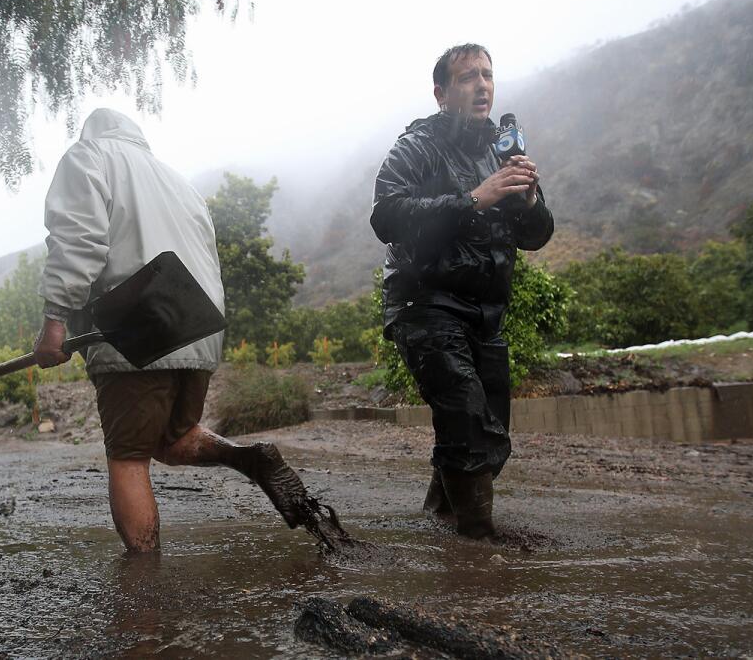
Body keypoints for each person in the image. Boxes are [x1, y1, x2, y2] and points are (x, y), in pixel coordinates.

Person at [33, 108, 315, 553]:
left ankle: (144, 585)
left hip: (135, 327)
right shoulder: (178, 182)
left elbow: (79, 241)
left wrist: (55, 320)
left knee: (128, 456)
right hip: (198, 325)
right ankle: (250, 458)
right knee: (172, 437)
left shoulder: (89, 156)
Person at [370, 44, 554, 539]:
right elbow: (386, 214)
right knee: (470, 424)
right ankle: (479, 551)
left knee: (491, 435)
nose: (482, 85)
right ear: (442, 93)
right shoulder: (418, 145)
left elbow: (536, 236)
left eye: (488, 76)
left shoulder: (501, 149)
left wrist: (530, 200)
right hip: (424, 304)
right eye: (468, 76)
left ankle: (439, 517)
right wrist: (475, 198)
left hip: (485, 314)